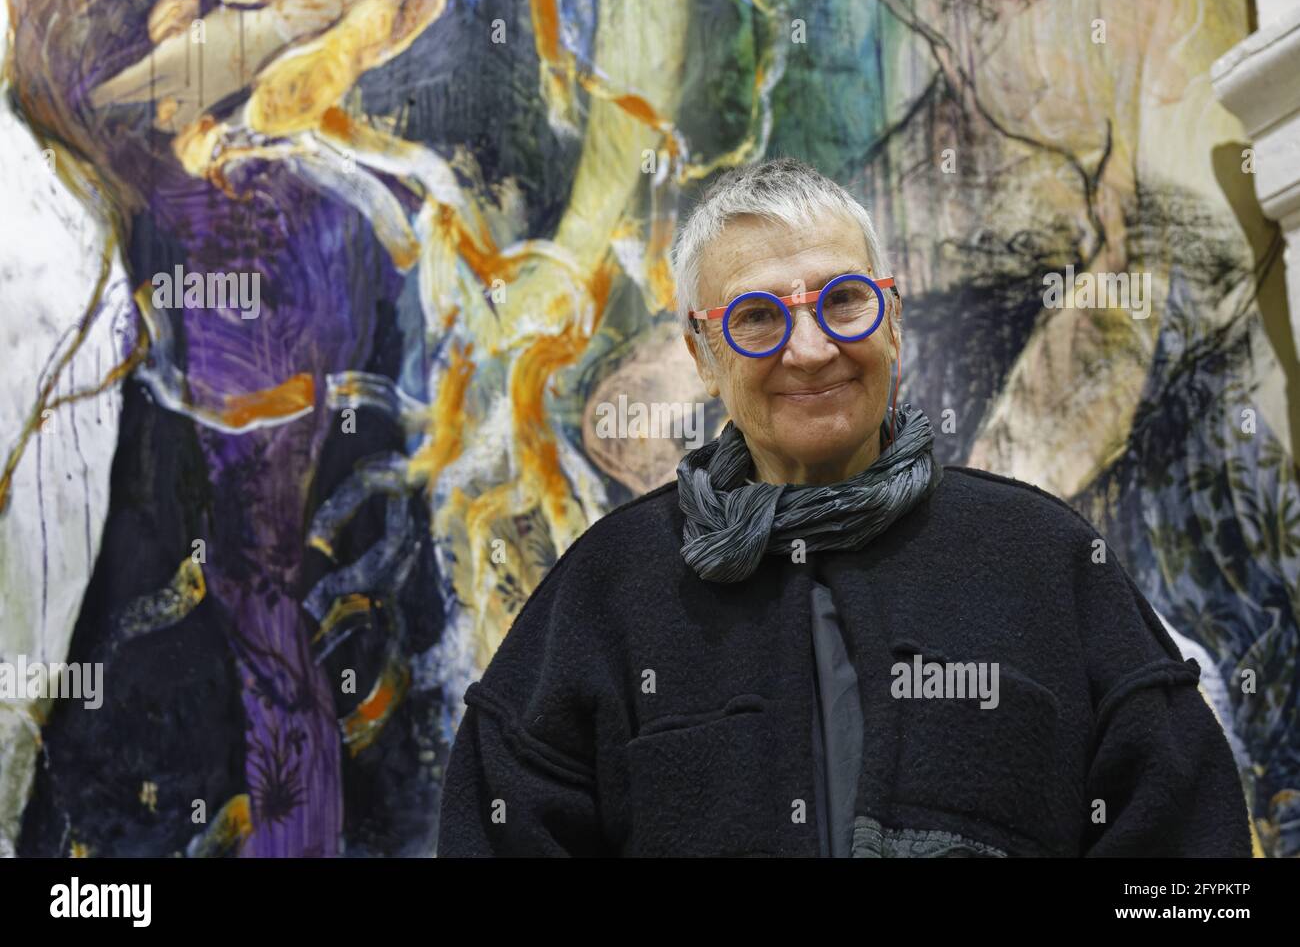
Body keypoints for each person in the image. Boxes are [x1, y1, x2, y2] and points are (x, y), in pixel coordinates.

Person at [436, 156, 1252, 857]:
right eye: (757, 316)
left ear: (892, 318)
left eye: (845, 301)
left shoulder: (1045, 558)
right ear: (702, 354)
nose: (812, 348)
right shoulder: (605, 593)